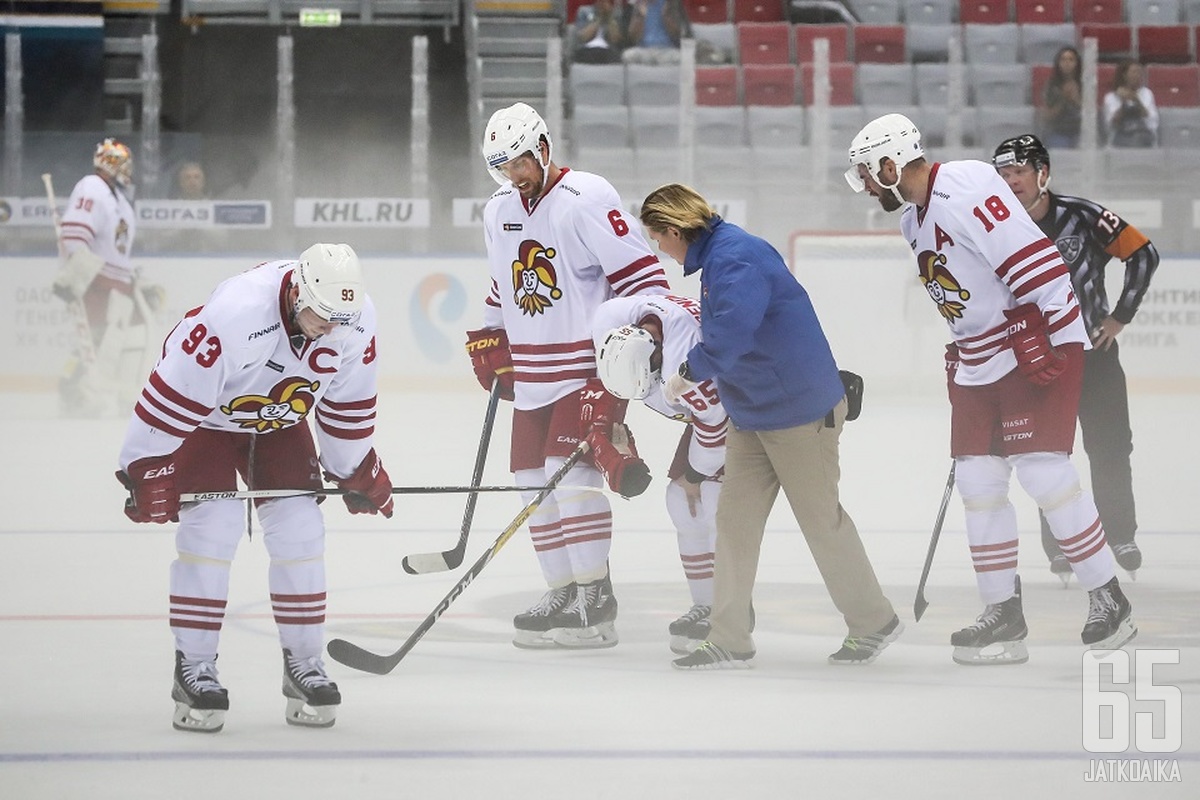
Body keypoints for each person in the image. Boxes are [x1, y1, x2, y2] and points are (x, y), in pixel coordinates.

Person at [844, 113, 1137, 665]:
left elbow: (1039, 266)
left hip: (1035, 341)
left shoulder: (968, 185)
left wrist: (1046, 339)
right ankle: (1003, 611)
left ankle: (1108, 597)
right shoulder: (912, 220)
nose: (863, 183)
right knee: (979, 482)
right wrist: (964, 349)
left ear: (889, 163)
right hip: (982, 357)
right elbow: (965, 297)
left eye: (866, 172)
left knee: (1046, 475)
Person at [115, 243, 396, 733]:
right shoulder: (238, 312)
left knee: (302, 528)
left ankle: (305, 664)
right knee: (213, 527)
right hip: (208, 422)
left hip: (280, 421)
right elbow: (170, 388)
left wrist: (355, 468)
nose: (330, 328)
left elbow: (347, 400)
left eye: (339, 318)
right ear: (297, 292)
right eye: (321, 315)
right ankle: (195, 668)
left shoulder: (354, 317)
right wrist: (146, 466)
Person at [636, 183, 901, 670]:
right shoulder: (718, 258)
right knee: (734, 525)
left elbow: (731, 336)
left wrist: (684, 375)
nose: (659, 249)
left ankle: (873, 621)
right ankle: (729, 637)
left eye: (657, 238)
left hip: (798, 414)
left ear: (674, 231)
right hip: (753, 413)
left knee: (821, 523)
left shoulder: (736, 258)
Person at [469, 102, 670, 650]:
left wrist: (649, 331)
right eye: (504, 167)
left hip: (588, 365)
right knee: (531, 484)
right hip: (533, 371)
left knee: (571, 478)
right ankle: (562, 590)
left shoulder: (587, 197)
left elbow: (640, 273)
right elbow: (500, 285)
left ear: (544, 148)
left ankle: (596, 599)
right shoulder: (497, 210)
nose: (516, 175)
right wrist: (489, 337)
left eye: (522, 162)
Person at [992, 134, 1158, 583]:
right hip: (1039, 364)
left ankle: (1120, 535)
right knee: (1047, 456)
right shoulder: (994, 228)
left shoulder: (1083, 217)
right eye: (1003, 175)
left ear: (1043, 173)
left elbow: (1143, 254)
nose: (1011, 182)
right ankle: (1063, 547)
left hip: (1095, 357)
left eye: (1019, 172)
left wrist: (1120, 316)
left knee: (1110, 448)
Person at [592, 293, 728, 654]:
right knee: (681, 502)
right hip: (712, 412)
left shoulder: (685, 365)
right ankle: (706, 603)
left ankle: (730, 609)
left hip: (744, 407)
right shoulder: (610, 320)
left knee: (714, 501)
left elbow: (716, 427)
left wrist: (696, 476)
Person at [52, 138, 141, 416]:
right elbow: (75, 235)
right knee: (94, 340)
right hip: (98, 282)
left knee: (128, 340)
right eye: (123, 163)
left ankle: (128, 395)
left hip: (118, 284)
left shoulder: (118, 198)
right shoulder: (92, 187)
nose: (128, 169)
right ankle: (72, 392)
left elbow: (118, 250)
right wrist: (76, 277)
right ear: (111, 163)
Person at [1103, 59, 1158, 148]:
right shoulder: (1110, 97)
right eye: (1134, 72)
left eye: (1140, 73)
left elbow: (1151, 121)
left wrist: (1136, 100)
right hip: (1119, 140)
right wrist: (1123, 102)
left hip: (1144, 138)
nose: (1138, 76)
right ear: (1124, 75)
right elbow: (1111, 125)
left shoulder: (1147, 93)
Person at [621, 0, 688, 65]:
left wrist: (666, 16)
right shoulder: (639, 4)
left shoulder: (670, 3)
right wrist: (641, 16)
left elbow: (678, 33)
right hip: (644, 50)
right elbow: (632, 36)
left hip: (667, 50)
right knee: (626, 56)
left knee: (682, 59)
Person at [1040, 46, 1082, 149]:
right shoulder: (1051, 85)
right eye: (1063, 60)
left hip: (1081, 131)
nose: (1067, 63)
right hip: (1058, 131)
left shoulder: (1084, 84)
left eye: (1071, 60)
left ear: (1077, 63)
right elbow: (1046, 116)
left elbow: (1093, 114)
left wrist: (1075, 99)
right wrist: (1063, 99)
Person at [571, 0, 626, 64]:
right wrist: (600, 18)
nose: (602, 2)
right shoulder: (585, 11)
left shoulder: (616, 14)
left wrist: (609, 17)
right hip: (587, 49)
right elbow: (583, 37)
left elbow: (615, 40)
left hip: (608, 50)